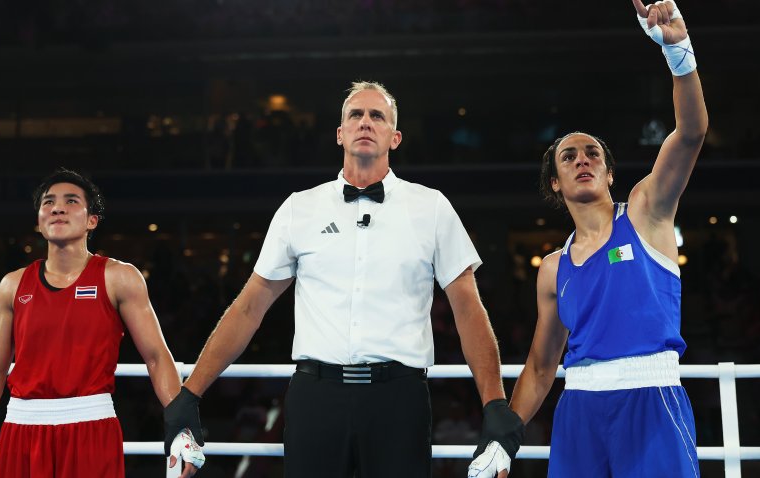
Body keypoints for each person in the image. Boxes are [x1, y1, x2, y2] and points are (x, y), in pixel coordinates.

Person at [163, 81, 524, 478]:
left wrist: (494, 404)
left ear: (395, 137)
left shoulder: (431, 207)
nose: (365, 123)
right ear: (340, 133)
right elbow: (249, 306)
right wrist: (190, 393)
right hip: (315, 396)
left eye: (377, 116)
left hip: (398, 399)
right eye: (355, 115)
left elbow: (469, 309)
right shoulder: (299, 208)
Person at [490, 1, 707, 476]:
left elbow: (690, 135)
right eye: (569, 156)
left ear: (610, 174)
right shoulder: (552, 267)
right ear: (555, 182)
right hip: (580, 410)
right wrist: (505, 439)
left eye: (593, 153)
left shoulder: (647, 213)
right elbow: (542, 366)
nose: (582, 159)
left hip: (651, 399)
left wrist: (679, 55)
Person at [0, 168, 204, 477]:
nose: (58, 207)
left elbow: (158, 357)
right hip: (21, 430)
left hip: (91, 428)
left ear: (92, 220)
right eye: (48, 202)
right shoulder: (12, 286)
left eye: (71, 201)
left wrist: (180, 429)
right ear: (39, 222)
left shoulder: (119, 277)